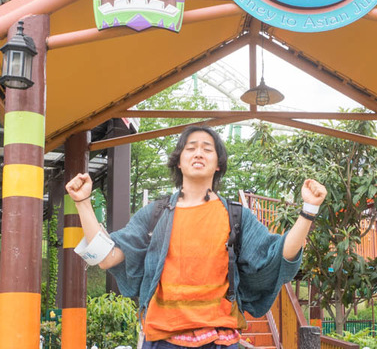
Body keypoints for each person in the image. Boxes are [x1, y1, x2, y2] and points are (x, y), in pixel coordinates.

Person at [65, 125, 327, 349]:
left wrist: (309, 210)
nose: (199, 153)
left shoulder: (236, 216)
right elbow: (107, 258)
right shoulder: (155, 214)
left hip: (219, 340)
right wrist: (83, 202)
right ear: (179, 161)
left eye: (207, 149)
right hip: (162, 340)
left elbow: (279, 255)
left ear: (218, 163)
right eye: (190, 148)